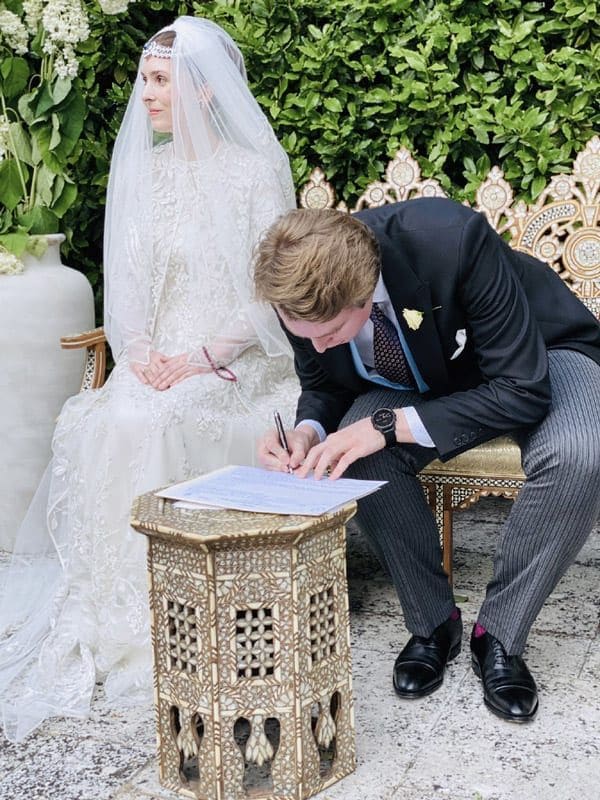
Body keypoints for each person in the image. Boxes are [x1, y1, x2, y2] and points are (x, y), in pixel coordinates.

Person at [0, 16, 299, 742]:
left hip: (235, 360)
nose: (147, 95)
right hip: (155, 359)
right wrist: (137, 352)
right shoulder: (149, 171)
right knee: (108, 416)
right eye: (145, 81)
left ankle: (171, 612)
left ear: (203, 89)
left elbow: (270, 292)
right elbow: (128, 286)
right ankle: (113, 609)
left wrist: (199, 357)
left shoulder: (253, 168)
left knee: (157, 419)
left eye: (160, 80)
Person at [254, 202, 600, 723]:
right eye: (304, 335)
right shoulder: (301, 301)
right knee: (351, 455)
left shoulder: (453, 239)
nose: (316, 345)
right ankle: (435, 623)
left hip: (540, 356)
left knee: (581, 454)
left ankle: (499, 635)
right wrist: (309, 432)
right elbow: (322, 382)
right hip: (423, 382)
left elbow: (522, 391)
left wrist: (386, 425)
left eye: (327, 334)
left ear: (364, 294)